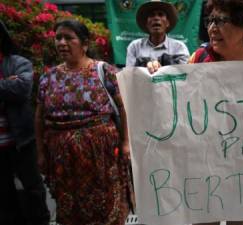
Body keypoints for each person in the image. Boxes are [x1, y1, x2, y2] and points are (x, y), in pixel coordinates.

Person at [35, 19, 134, 225]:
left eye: (69, 38)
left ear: (85, 43)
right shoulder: (49, 77)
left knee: (107, 206)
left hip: (101, 155)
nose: (62, 43)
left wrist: (126, 143)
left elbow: (124, 107)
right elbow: (39, 116)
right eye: (58, 38)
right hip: (63, 158)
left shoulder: (104, 71)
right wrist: (42, 152)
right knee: (70, 207)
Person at [189, 0, 243, 223]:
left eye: (221, 21)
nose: (212, 28)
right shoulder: (198, 61)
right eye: (210, 21)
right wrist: (154, 73)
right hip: (205, 168)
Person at [0, 19, 50, 225]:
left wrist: (13, 86)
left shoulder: (18, 62)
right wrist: (6, 85)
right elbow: (11, 89)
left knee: (33, 190)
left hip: (21, 141)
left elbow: (21, 90)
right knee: (3, 195)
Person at [126, 0, 190, 73]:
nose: (156, 18)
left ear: (167, 23)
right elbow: (129, 76)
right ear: (147, 24)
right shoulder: (134, 47)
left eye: (160, 14)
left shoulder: (179, 48)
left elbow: (184, 76)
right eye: (152, 15)